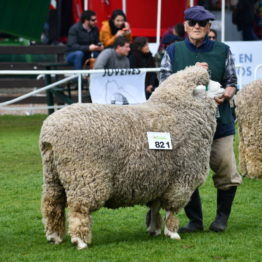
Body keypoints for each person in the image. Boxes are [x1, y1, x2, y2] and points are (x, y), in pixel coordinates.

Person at [160, 5, 242, 233]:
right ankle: (195, 221)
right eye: (192, 23)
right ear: (185, 26)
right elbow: (165, 85)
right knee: (188, 171)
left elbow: (232, 81)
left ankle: (221, 219)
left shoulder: (223, 50)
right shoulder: (173, 51)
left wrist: (227, 93)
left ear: (209, 27)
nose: (197, 27)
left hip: (219, 122)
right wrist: (190, 72)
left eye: (202, 24)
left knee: (226, 170)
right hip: (184, 125)